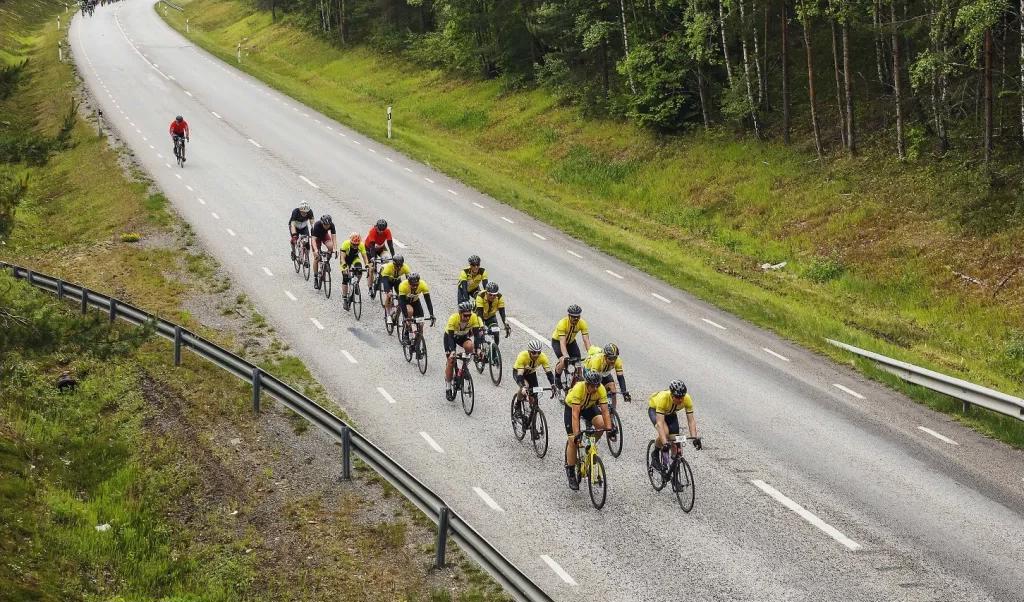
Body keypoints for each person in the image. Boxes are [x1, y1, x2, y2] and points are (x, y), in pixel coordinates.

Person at [563, 369, 613, 490]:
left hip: (588, 407)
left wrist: (609, 428)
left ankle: (589, 445)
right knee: (573, 440)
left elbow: (605, 411)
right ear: (587, 384)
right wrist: (577, 434)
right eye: (592, 386)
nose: (595, 388)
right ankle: (570, 472)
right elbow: (575, 415)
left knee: (601, 424)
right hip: (572, 408)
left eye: (597, 385)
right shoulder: (579, 388)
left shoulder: (600, 389)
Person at [648, 380, 702, 470]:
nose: (680, 400)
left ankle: (674, 470)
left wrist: (694, 438)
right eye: (677, 397)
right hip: (655, 410)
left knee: (676, 441)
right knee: (665, 433)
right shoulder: (663, 398)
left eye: (682, 397)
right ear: (672, 395)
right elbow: (660, 423)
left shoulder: (687, 399)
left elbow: (691, 421)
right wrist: (665, 442)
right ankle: (655, 453)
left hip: (670, 412)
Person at [444, 301, 485, 399]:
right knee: (451, 361)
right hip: (451, 338)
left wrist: (478, 349)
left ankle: (464, 368)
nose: (467, 318)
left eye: (469, 315)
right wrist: (453, 351)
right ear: (460, 313)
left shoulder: (473, 317)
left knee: (470, 346)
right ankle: (448, 387)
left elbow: (476, 335)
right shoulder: (453, 318)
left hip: (462, 336)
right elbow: (450, 337)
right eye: (465, 315)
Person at [550, 304, 591, 387]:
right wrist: (565, 356)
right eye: (573, 316)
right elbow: (562, 342)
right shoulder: (562, 323)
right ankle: (557, 377)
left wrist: (591, 354)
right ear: (569, 316)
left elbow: (586, 340)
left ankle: (578, 381)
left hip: (571, 342)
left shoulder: (582, 323)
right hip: (557, 342)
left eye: (577, 316)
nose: (576, 319)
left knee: (578, 363)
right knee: (564, 361)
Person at [397, 273, 436, 347]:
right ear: (409, 283)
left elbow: (428, 301)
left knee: (421, 324)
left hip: (415, 302)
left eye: (416, 284)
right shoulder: (403, 285)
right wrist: (406, 318)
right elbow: (402, 302)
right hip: (405, 302)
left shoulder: (423, 284)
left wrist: (431, 314)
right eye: (412, 285)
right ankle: (407, 333)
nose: (414, 286)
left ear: (419, 282)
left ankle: (417, 346)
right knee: (409, 311)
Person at [474, 282, 511, 347]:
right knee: (480, 334)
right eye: (490, 295)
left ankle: (494, 350)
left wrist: (506, 324)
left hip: (490, 317)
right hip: (479, 316)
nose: (492, 297)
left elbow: (502, 313)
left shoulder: (499, 297)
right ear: (486, 292)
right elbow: (479, 314)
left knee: (496, 332)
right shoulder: (480, 296)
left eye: (494, 295)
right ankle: (478, 350)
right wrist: (482, 327)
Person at [339, 232, 369, 310]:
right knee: (345, 277)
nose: (355, 246)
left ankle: (356, 284)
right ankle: (345, 298)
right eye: (354, 244)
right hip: (345, 259)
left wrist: (367, 265)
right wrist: (345, 267)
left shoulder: (361, 245)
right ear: (350, 242)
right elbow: (342, 258)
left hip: (354, 258)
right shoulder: (346, 244)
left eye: (357, 244)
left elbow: (364, 257)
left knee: (359, 270)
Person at [365, 219, 395, 295]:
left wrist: (393, 256)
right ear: (376, 227)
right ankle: (370, 288)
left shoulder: (387, 231)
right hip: (370, 248)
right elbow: (372, 247)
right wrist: (372, 258)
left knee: (387, 258)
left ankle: (382, 273)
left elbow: (390, 245)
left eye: (383, 230)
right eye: (379, 230)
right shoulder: (373, 231)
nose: (381, 231)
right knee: (371, 268)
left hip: (381, 248)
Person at [379, 255, 410, 323]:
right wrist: (388, 291)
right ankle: (388, 315)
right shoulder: (388, 267)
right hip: (388, 281)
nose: (399, 267)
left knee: (402, 297)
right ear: (393, 264)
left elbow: (409, 281)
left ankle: (397, 314)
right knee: (389, 295)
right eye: (397, 266)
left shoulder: (405, 267)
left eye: (400, 266)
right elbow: (385, 280)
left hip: (397, 281)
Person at [310, 214, 336, 289]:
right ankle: (315, 278)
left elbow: (334, 237)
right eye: (325, 225)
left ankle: (327, 261)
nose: (327, 226)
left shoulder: (331, 225)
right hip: (316, 237)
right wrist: (315, 250)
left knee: (331, 246)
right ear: (322, 223)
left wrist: (335, 249)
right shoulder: (317, 225)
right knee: (317, 258)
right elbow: (313, 240)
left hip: (324, 235)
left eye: (328, 225)